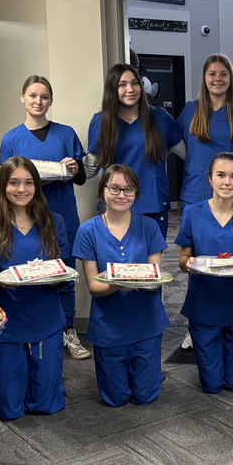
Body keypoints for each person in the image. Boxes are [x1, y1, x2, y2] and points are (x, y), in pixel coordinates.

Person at [0, 75, 91, 361]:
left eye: (45, 97)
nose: (39, 102)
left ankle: (68, 331)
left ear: (51, 101)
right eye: (33, 96)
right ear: (22, 97)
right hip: (25, 218)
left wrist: (74, 168)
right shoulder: (12, 138)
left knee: (65, 276)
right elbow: (6, 182)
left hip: (62, 213)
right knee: (28, 274)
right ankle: (30, 332)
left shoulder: (66, 134)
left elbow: (82, 177)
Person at [0, 157, 67, 421]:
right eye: (14, 183)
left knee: (45, 405)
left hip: (45, 318)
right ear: (2, 186)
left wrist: (49, 276)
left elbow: (65, 273)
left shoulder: (53, 221)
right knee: (8, 410)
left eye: (28, 183)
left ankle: (39, 381)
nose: (21, 189)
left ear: (37, 186)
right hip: (6, 320)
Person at [74, 165, 169, 406]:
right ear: (103, 190)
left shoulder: (149, 226)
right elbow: (94, 287)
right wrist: (119, 285)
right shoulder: (88, 231)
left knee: (145, 396)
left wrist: (135, 282)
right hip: (109, 327)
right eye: (115, 188)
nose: (121, 195)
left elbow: (155, 280)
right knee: (115, 399)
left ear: (136, 193)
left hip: (145, 321)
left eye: (128, 190)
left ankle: (150, 374)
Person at [176, 153, 233, 393]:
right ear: (210, 178)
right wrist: (190, 264)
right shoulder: (193, 213)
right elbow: (183, 259)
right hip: (204, 303)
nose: (227, 182)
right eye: (221, 175)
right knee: (212, 385)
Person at [86, 63, 184, 238]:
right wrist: (66, 170)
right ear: (112, 89)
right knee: (117, 264)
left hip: (152, 205)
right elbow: (90, 169)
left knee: (151, 263)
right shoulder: (100, 122)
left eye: (135, 83)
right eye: (122, 85)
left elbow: (186, 154)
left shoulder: (160, 118)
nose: (130, 89)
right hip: (115, 206)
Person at [176, 54, 233, 209]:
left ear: (230, 78)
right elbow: (173, 143)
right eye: (212, 74)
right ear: (204, 78)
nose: (217, 79)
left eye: (223, 74)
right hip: (197, 193)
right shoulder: (191, 110)